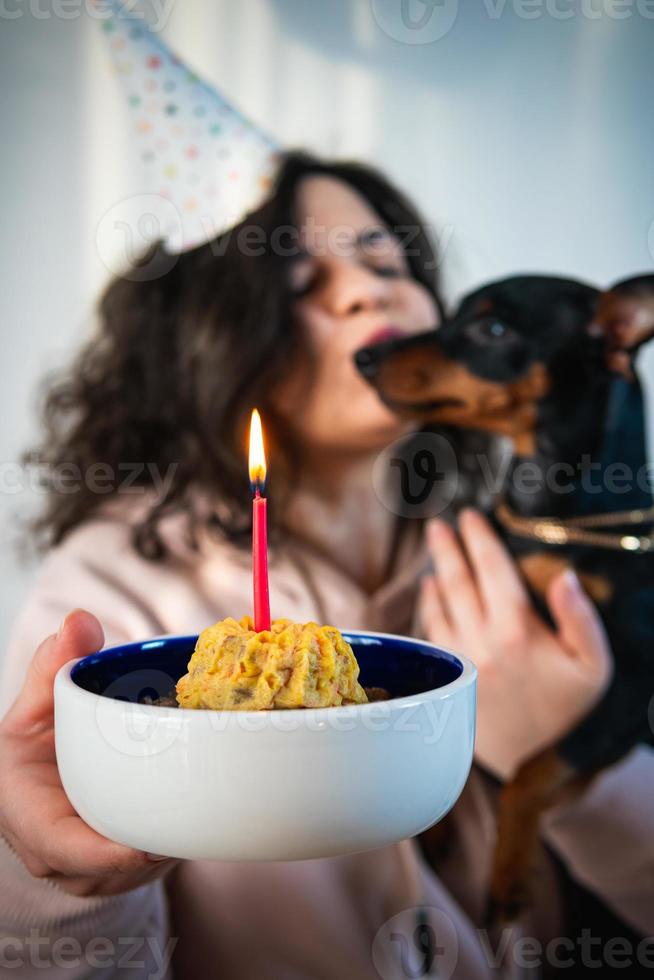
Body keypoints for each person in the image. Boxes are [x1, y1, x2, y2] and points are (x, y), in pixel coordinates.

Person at [0, 152, 652, 979]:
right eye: (301, 282)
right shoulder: (113, 595)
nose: (366, 291)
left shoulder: (531, 554)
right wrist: (60, 887)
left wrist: (581, 767)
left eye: (384, 261)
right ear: (204, 338)